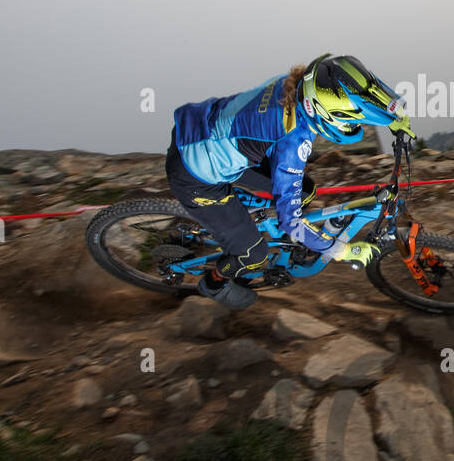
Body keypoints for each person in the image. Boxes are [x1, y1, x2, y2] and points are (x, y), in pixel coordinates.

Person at [166, 54, 414, 309]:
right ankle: (214, 283)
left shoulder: (295, 85)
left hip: (199, 129)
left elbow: (359, 88)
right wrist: (342, 251)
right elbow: (291, 221)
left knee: (304, 190)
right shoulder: (293, 145)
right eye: (348, 121)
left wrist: (392, 116)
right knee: (253, 253)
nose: (351, 125)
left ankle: (241, 216)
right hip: (195, 176)